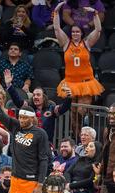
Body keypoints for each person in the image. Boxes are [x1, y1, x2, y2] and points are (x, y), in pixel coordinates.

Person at [53, 2, 104, 136]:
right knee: (74, 114)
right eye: (73, 31)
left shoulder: (87, 43)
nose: (75, 33)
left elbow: (98, 30)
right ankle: (77, 139)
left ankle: (89, 131)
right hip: (70, 83)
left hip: (86, 83)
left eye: (78, 31)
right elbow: (57, 29)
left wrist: (95, 14)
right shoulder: (66, 43)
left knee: (82, 110)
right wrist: (56, 12)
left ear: (81, 33)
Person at [4, 69, 72, 142]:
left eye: (38, 95)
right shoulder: (28, 107)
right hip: (29, 142)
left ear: (44, 97)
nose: (35, 97)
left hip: (46, 144)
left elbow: (64, 108)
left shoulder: (51, 108)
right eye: (34, 95)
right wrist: (9, 85)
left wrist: (69, 98)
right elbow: (17, 100)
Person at [96, 103, 115, 193]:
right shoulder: (107, 130)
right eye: (110, 114)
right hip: (107, 177)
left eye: (114, 114)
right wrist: (99, 174)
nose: (111, 116)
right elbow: (105, 154)